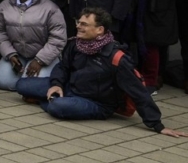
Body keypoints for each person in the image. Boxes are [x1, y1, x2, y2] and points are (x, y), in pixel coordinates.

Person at [16, 7, 186, 136]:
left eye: (84, 24)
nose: (78, 27)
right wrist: (56, 84)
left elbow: (137, 91)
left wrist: (157, 125)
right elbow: (63, 67)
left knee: (58, 107)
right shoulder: (76, 44)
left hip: (97, 103)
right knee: (22, 85)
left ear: (100, 30)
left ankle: (46, 101)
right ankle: (53, 97)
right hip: (70, 88)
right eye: (78, 23)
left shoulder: (116, 57)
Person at [0, 0, 67, 91]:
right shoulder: (4, 6)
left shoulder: (50, 8)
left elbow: (58, 39)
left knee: (32, 85)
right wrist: (10, 54)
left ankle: (29, 80)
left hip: (43, 56)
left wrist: (40, 60)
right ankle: (24, 77)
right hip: (18, 54)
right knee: (1, 82)